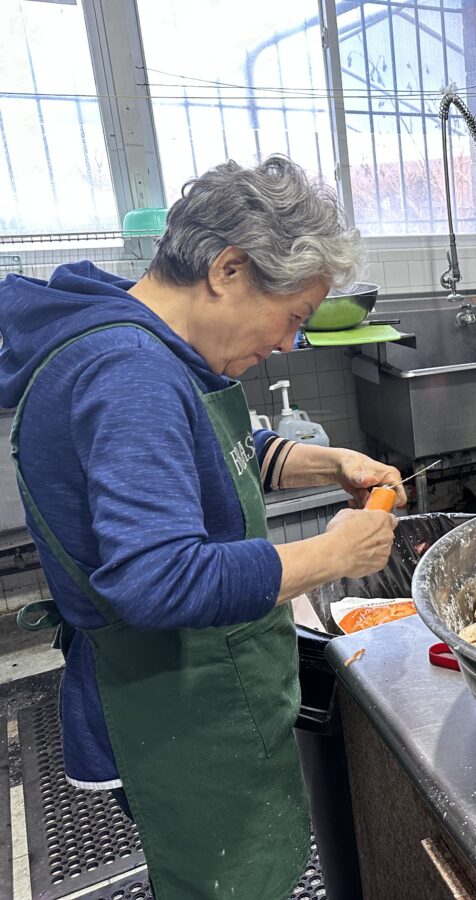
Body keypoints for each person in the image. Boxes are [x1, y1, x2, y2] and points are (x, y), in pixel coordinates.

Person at [0, 156, 405, 898]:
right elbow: (158, 579)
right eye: (294, 316)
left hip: (196, 687)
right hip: (177, 703)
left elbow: (210, 452)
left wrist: (326, 464)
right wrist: (331, 553)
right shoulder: (129, 373)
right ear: (228, 269)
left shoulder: (136, 334)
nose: (289, 344)